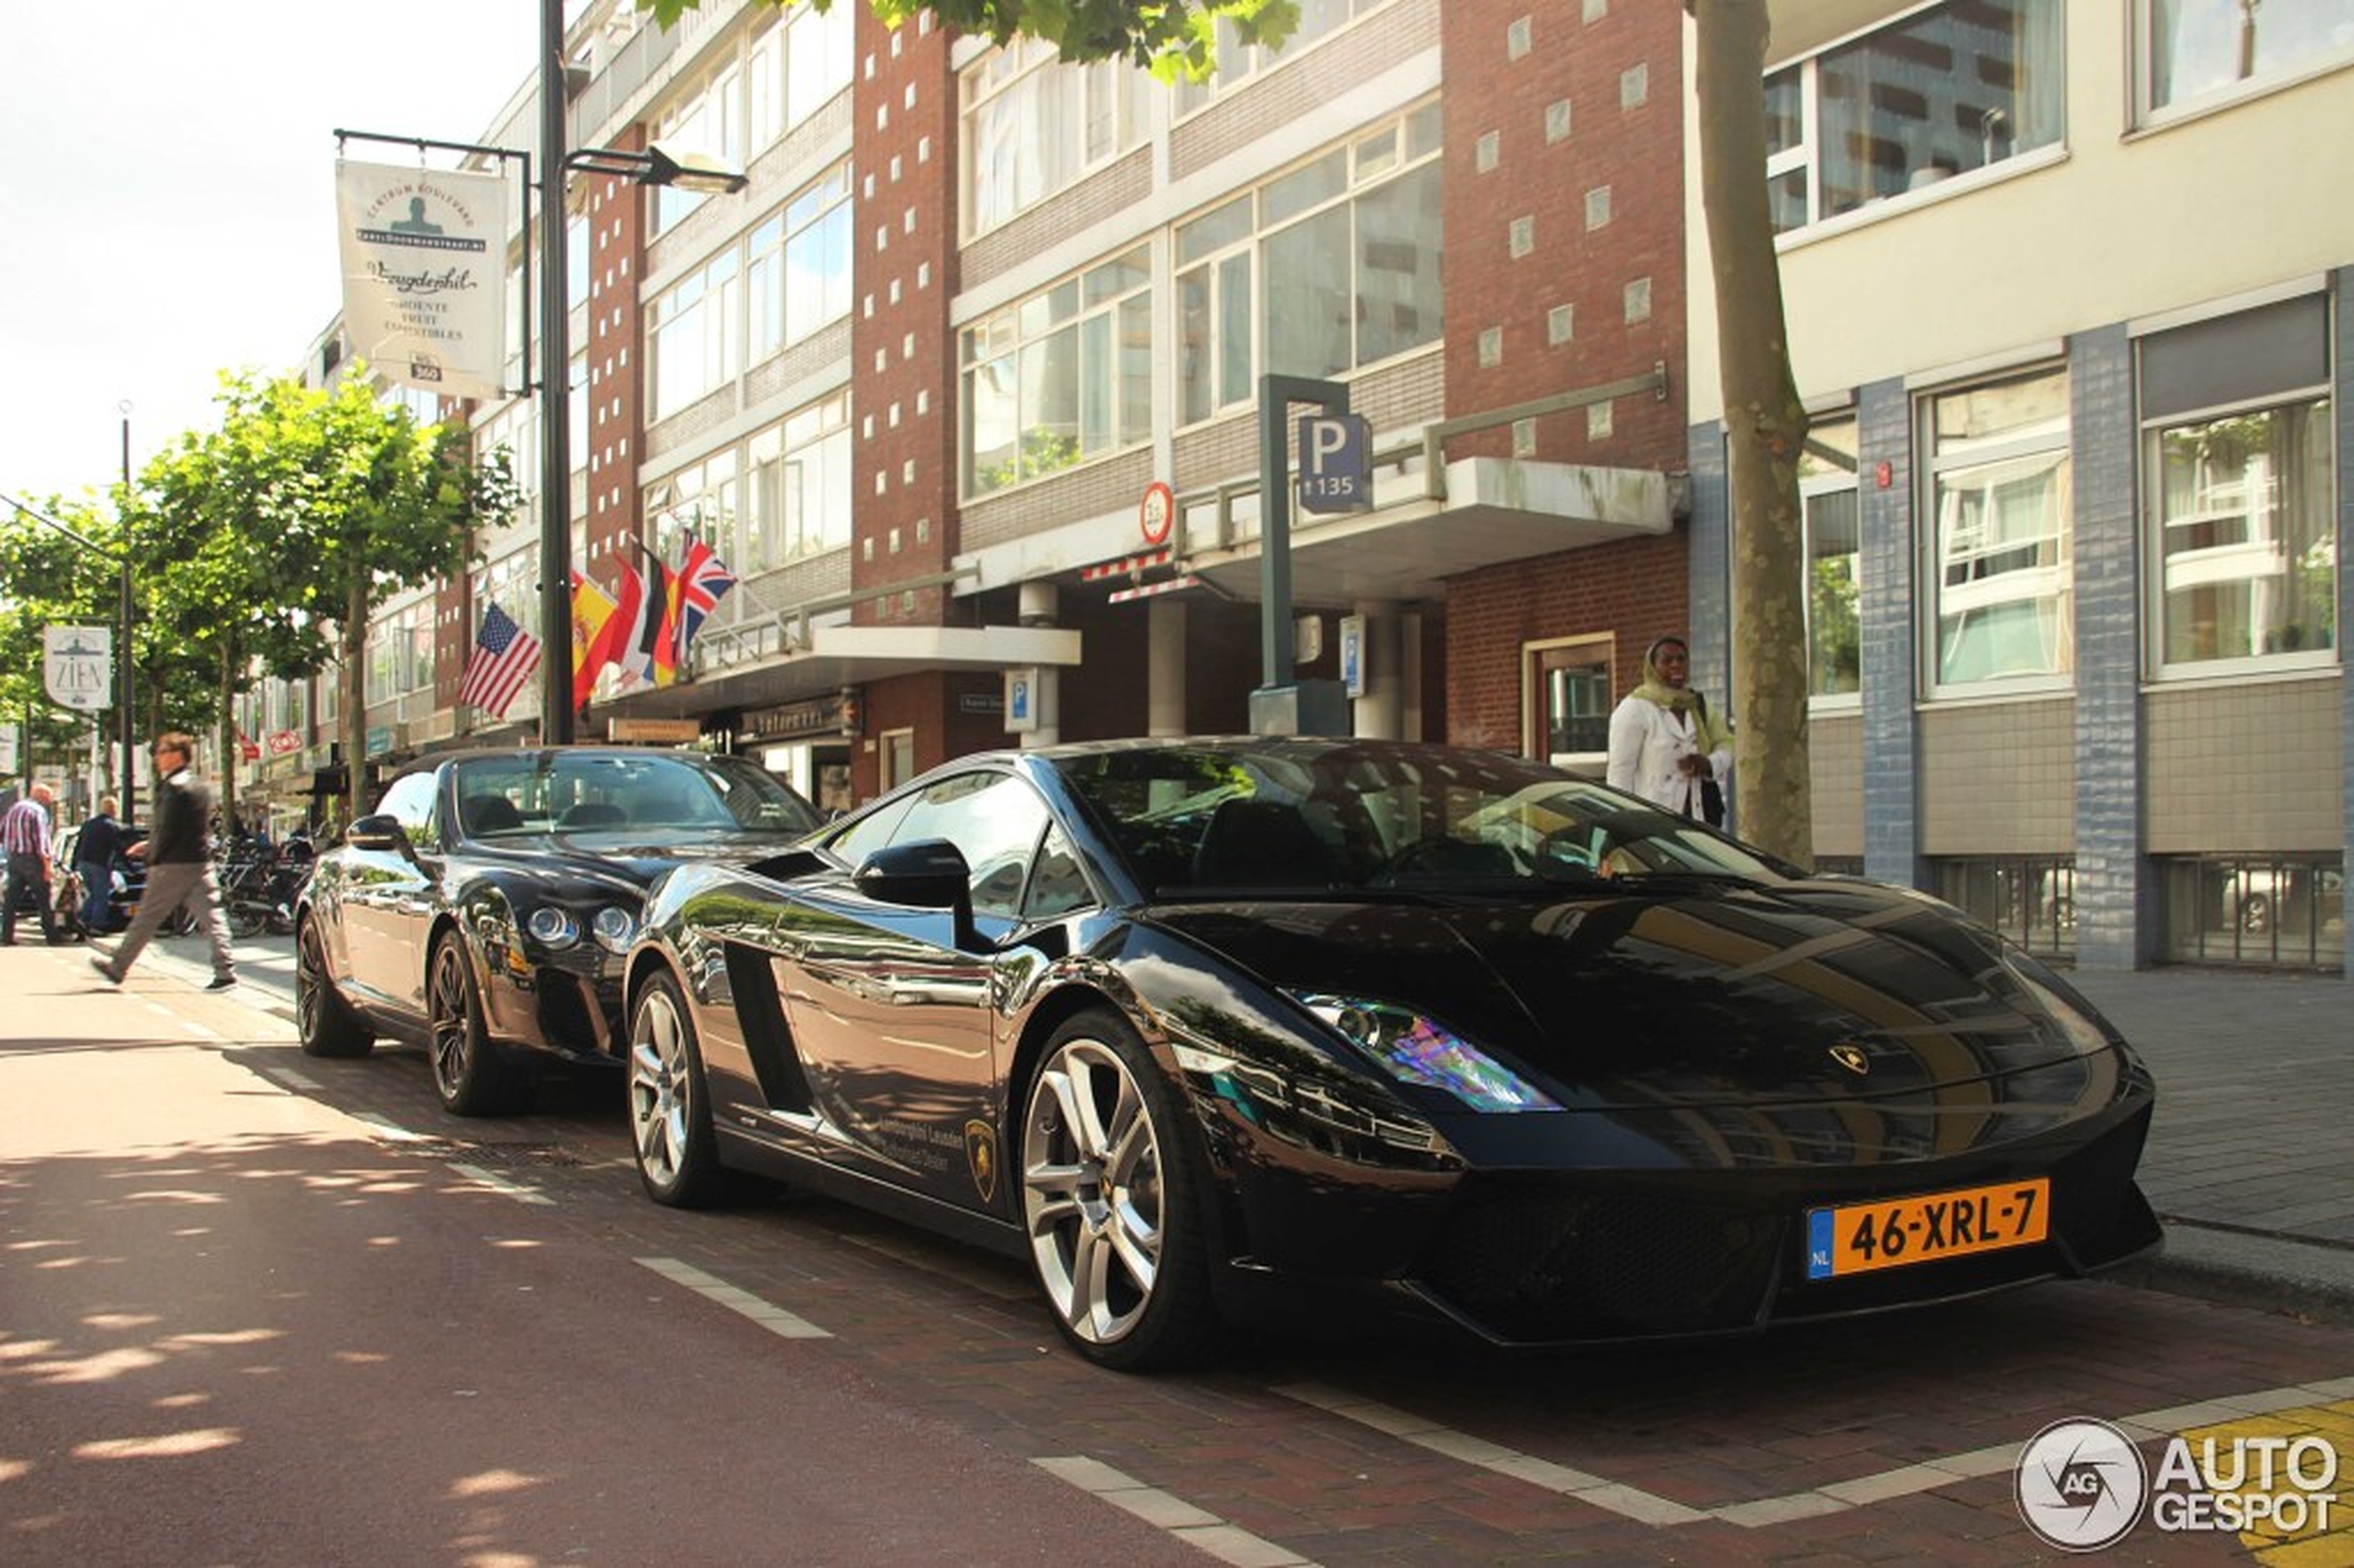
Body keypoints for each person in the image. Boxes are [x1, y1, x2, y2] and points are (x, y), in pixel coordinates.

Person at [91, 733, 235, 990]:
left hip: (171, 866)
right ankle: (225, 972)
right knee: (212, 916)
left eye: (162, 751)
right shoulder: (200, 786)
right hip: (200, 861)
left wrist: (150, 854)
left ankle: (118, 966)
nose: (157, 757)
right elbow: (192, 828)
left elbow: (166, 830)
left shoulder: (172, 788)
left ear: (177, 754)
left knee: (146, 917)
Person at [1607, 635, 1733, 826]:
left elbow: (1727, 743)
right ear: (1653, 666)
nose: (1676, 665)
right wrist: (1623, 823)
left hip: (1698, 819)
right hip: (1652, 821)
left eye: (1681, 659)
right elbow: (1620, 774)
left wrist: (1709, 763)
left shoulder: (1697, 704)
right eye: (1667, 661)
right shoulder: (1635, 708)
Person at [3, 781, 64, 945]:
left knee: (11, 900)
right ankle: (52, 936)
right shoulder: (37, 812)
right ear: (42, 796)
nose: (50, 801)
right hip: (33, 860)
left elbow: (2, 832)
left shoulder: (14, 809)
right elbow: (41, 841)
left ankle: (6, 936)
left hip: (14, 858)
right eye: (49, 797)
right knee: (44, 898)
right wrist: (47, 866)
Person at [75, 795, 126, 935]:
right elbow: (118, 848)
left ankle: (83, 919)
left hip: (84, 863)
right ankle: (96, 926)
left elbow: (79, 845)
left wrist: (74, 865)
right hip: (99, 864)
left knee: (94, 894)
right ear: (114, 809)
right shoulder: (110, 826)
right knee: (102, 896)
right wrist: (129, 867)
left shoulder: (88, 824)